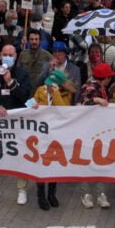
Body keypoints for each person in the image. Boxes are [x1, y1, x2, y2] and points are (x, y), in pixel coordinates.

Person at [0, 44, 32, 204]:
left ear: (16, 57)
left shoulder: (22, 74)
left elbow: (25, 97)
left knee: (20, 155)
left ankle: (22, 189)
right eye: (5, 54)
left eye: (11, 54)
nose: (8, 57)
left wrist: (10, 82)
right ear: (0, 55)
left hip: (16, 123)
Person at [30, 69, 72, 210]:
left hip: (56, 133)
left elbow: (64, 110)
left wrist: (56, 94)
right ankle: (41, 194)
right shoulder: (40, 90)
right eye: (48, 83)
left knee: (53, 164)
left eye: (52, 85)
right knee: (40, 164)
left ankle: (52, 193)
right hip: (41, 132)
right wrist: (32, 105)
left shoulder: (66, 94)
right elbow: (30, 103)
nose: (48, 86)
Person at [78, 63, 115, 209]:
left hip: (99, 131)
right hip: (88, 131)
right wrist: (96, 100)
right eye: (109, 77)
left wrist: (110, 93)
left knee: (100, 161)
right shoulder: (89, 87)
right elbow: (81, 103)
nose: (110, 80)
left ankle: (100, 194)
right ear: (104, 78)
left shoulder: (99, 87)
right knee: (88, 162)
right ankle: (86, 194)